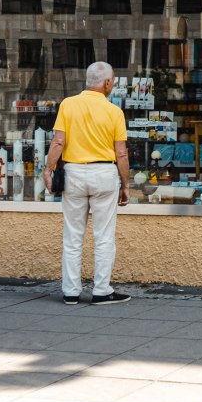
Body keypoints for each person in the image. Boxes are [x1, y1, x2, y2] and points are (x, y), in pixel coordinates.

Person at [43, 61, 132, 306]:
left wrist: (49, 170)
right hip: (104, 173)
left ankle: (71, 292)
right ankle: (101, 291)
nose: (112, 84)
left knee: (72, 236)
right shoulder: (115, 112)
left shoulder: (68, 105)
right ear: (106, 83)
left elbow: (58, 142)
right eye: (112, 80)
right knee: (104, 237)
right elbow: (121, 153)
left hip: (73, 173)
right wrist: (125, 184)